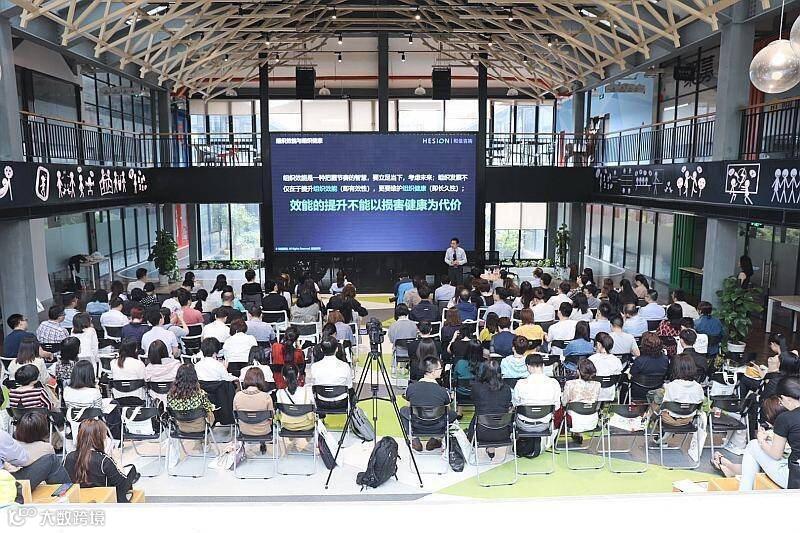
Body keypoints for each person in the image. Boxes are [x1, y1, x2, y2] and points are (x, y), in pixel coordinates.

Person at [737, 377, 800, 490]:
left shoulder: (785, 418)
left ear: (786, 399)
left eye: (780, 401)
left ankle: (745, 492)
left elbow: (776, 454)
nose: (782, 404)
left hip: (795, 479)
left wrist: (761, 440)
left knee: (753, 445)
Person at [65, 418, 138, 503]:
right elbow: (122, 485)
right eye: (105, 436)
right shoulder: (104, 461)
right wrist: (117, 460)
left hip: (77, 499)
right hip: (103, 500)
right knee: (132, 470)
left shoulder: (68, 457)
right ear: (99, 438)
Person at [400, 356, 456, 450]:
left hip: (417, 424)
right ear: (433, 371)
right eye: (440, 368)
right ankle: (436, 438)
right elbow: (448, 408)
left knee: (403, 410)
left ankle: (414, 438)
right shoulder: (443, 391)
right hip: (437, 426)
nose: (441, 370)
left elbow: (408, 405)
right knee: (453, 414)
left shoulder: (411, 388)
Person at [5, 411, 70, 489]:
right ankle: (67, 491)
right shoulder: (46, 448)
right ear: (42, 430)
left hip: (9, 477)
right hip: (20, 482)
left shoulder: (11, 444)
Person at [512, 354, 562, 453]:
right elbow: (556, 407)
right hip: (544, 425)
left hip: (524, 425)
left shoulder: (520, 384)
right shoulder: (554, 383)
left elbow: (515, 405)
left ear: (527, 366)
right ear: (543, 365)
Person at [467, 361, 512, 458]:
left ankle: (490, 447)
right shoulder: (507, 389)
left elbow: (475, 402)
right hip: (503, 432)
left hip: (480, 432)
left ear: (483, 372)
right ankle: (491, 448)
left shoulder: (476, 387)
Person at [558, 358, 601, 442]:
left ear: (578, 371)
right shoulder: (597, 385)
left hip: (574, 422)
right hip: (592, 422)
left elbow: (564, 402)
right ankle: (577, 434)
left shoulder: (570, 384)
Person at [275, 364, 315, 450]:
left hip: (288, 426)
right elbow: (314, 406)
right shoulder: (308, 390)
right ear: (298, 375)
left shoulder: (279, 393)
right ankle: (304, 443)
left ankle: (293, 440)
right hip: (306, 425)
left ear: (283, 377)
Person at [168, 363, 216, 433]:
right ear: (194, 377)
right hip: (200, 427)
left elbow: (170, 410)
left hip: (181, 427)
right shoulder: (200, 394)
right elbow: (209, 408)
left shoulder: (170, 395)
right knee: (210, 411)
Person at [658, 354, 705, 425]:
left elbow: (663, 405)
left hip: (670, 418)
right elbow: (700, 404)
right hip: (689, 418)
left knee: (656, 399)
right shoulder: (698, 387)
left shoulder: (670, 386)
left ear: (675, 368)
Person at [308, 335, 353, 407]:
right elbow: (349, 386)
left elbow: (313, 385)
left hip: (321, 402)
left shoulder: (314, 367)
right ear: (337, 349)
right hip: (341, 402)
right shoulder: (345, 366)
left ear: (321, 350)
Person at [233, 367, 275, 441]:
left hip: (244, 430)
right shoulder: (266, 396)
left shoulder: (237, 395)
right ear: (261, 379)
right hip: (264, 431)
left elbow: (235, 416)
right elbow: (271, 417)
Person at [630, 333, 669, 402]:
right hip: (657, 391)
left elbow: (632, 374)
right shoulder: (665, 359)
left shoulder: (639, 361)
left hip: (639, 392)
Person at [589, 332, 623, 402]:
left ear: (598, 344)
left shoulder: (591, 359)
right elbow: (619, 376)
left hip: (594, 393)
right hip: (610, 393)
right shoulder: (616, 360)